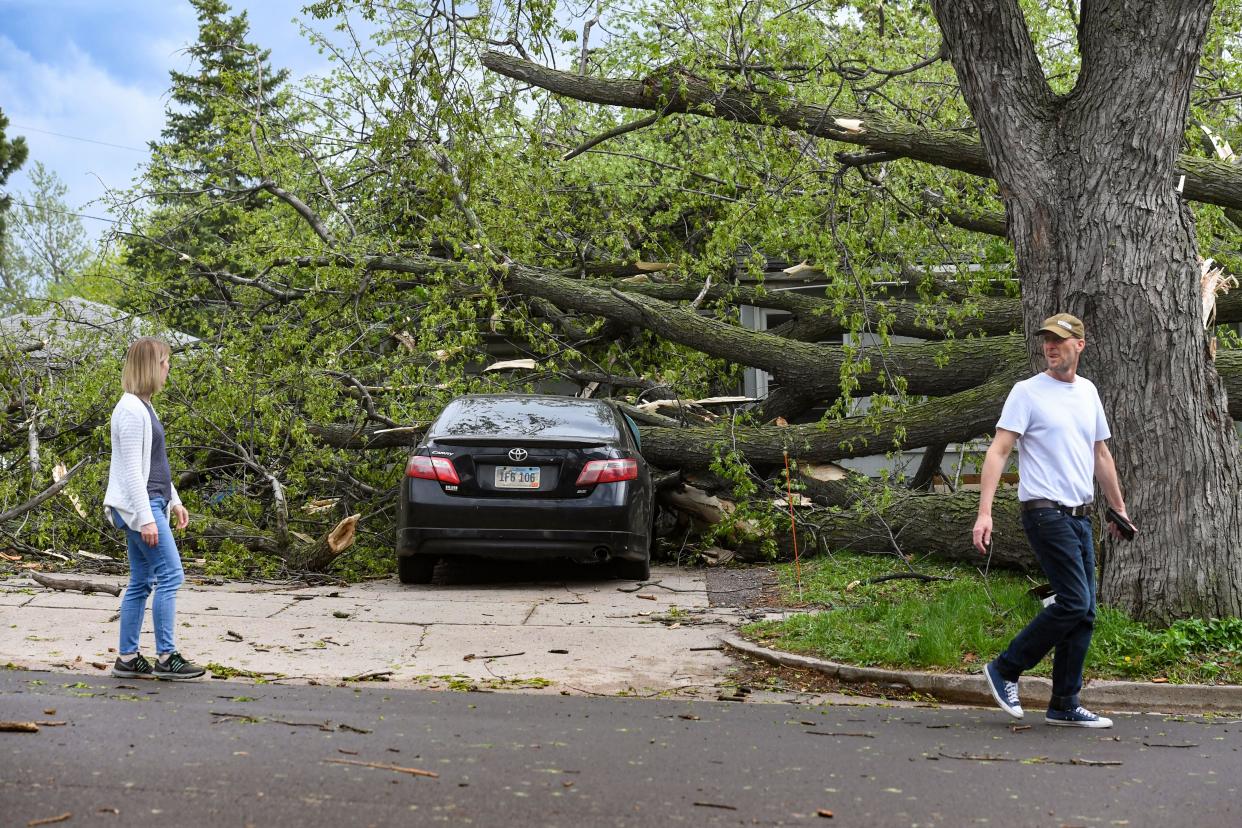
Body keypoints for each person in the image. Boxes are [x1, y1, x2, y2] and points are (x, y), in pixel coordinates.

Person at [971, 313, 1131, 728]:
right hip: (1044, 511)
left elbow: (1101, 455)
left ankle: (1064, 702)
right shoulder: (1027, 393)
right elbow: (998, 451)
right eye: (1047, 340)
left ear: (1080, 345)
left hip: (1080, 515)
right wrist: (984, 512)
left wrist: (1119, 508)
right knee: (1074, 600)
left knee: (1086, 611)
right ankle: (1005, 668)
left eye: (1060, 340)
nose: (1051, 346)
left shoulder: (1088, 392)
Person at [103, 337, 205, 680]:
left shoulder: (144, 406)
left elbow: (155, 463)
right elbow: (132, 472)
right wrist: (147, 518)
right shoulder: (130, 410)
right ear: (150, 366)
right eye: (164, 363)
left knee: (142, 580)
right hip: (141, 507)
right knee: (171, 575)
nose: (168, 369)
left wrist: (174, 500)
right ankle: (166, 657)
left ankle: (128, 658)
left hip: (152, 503)